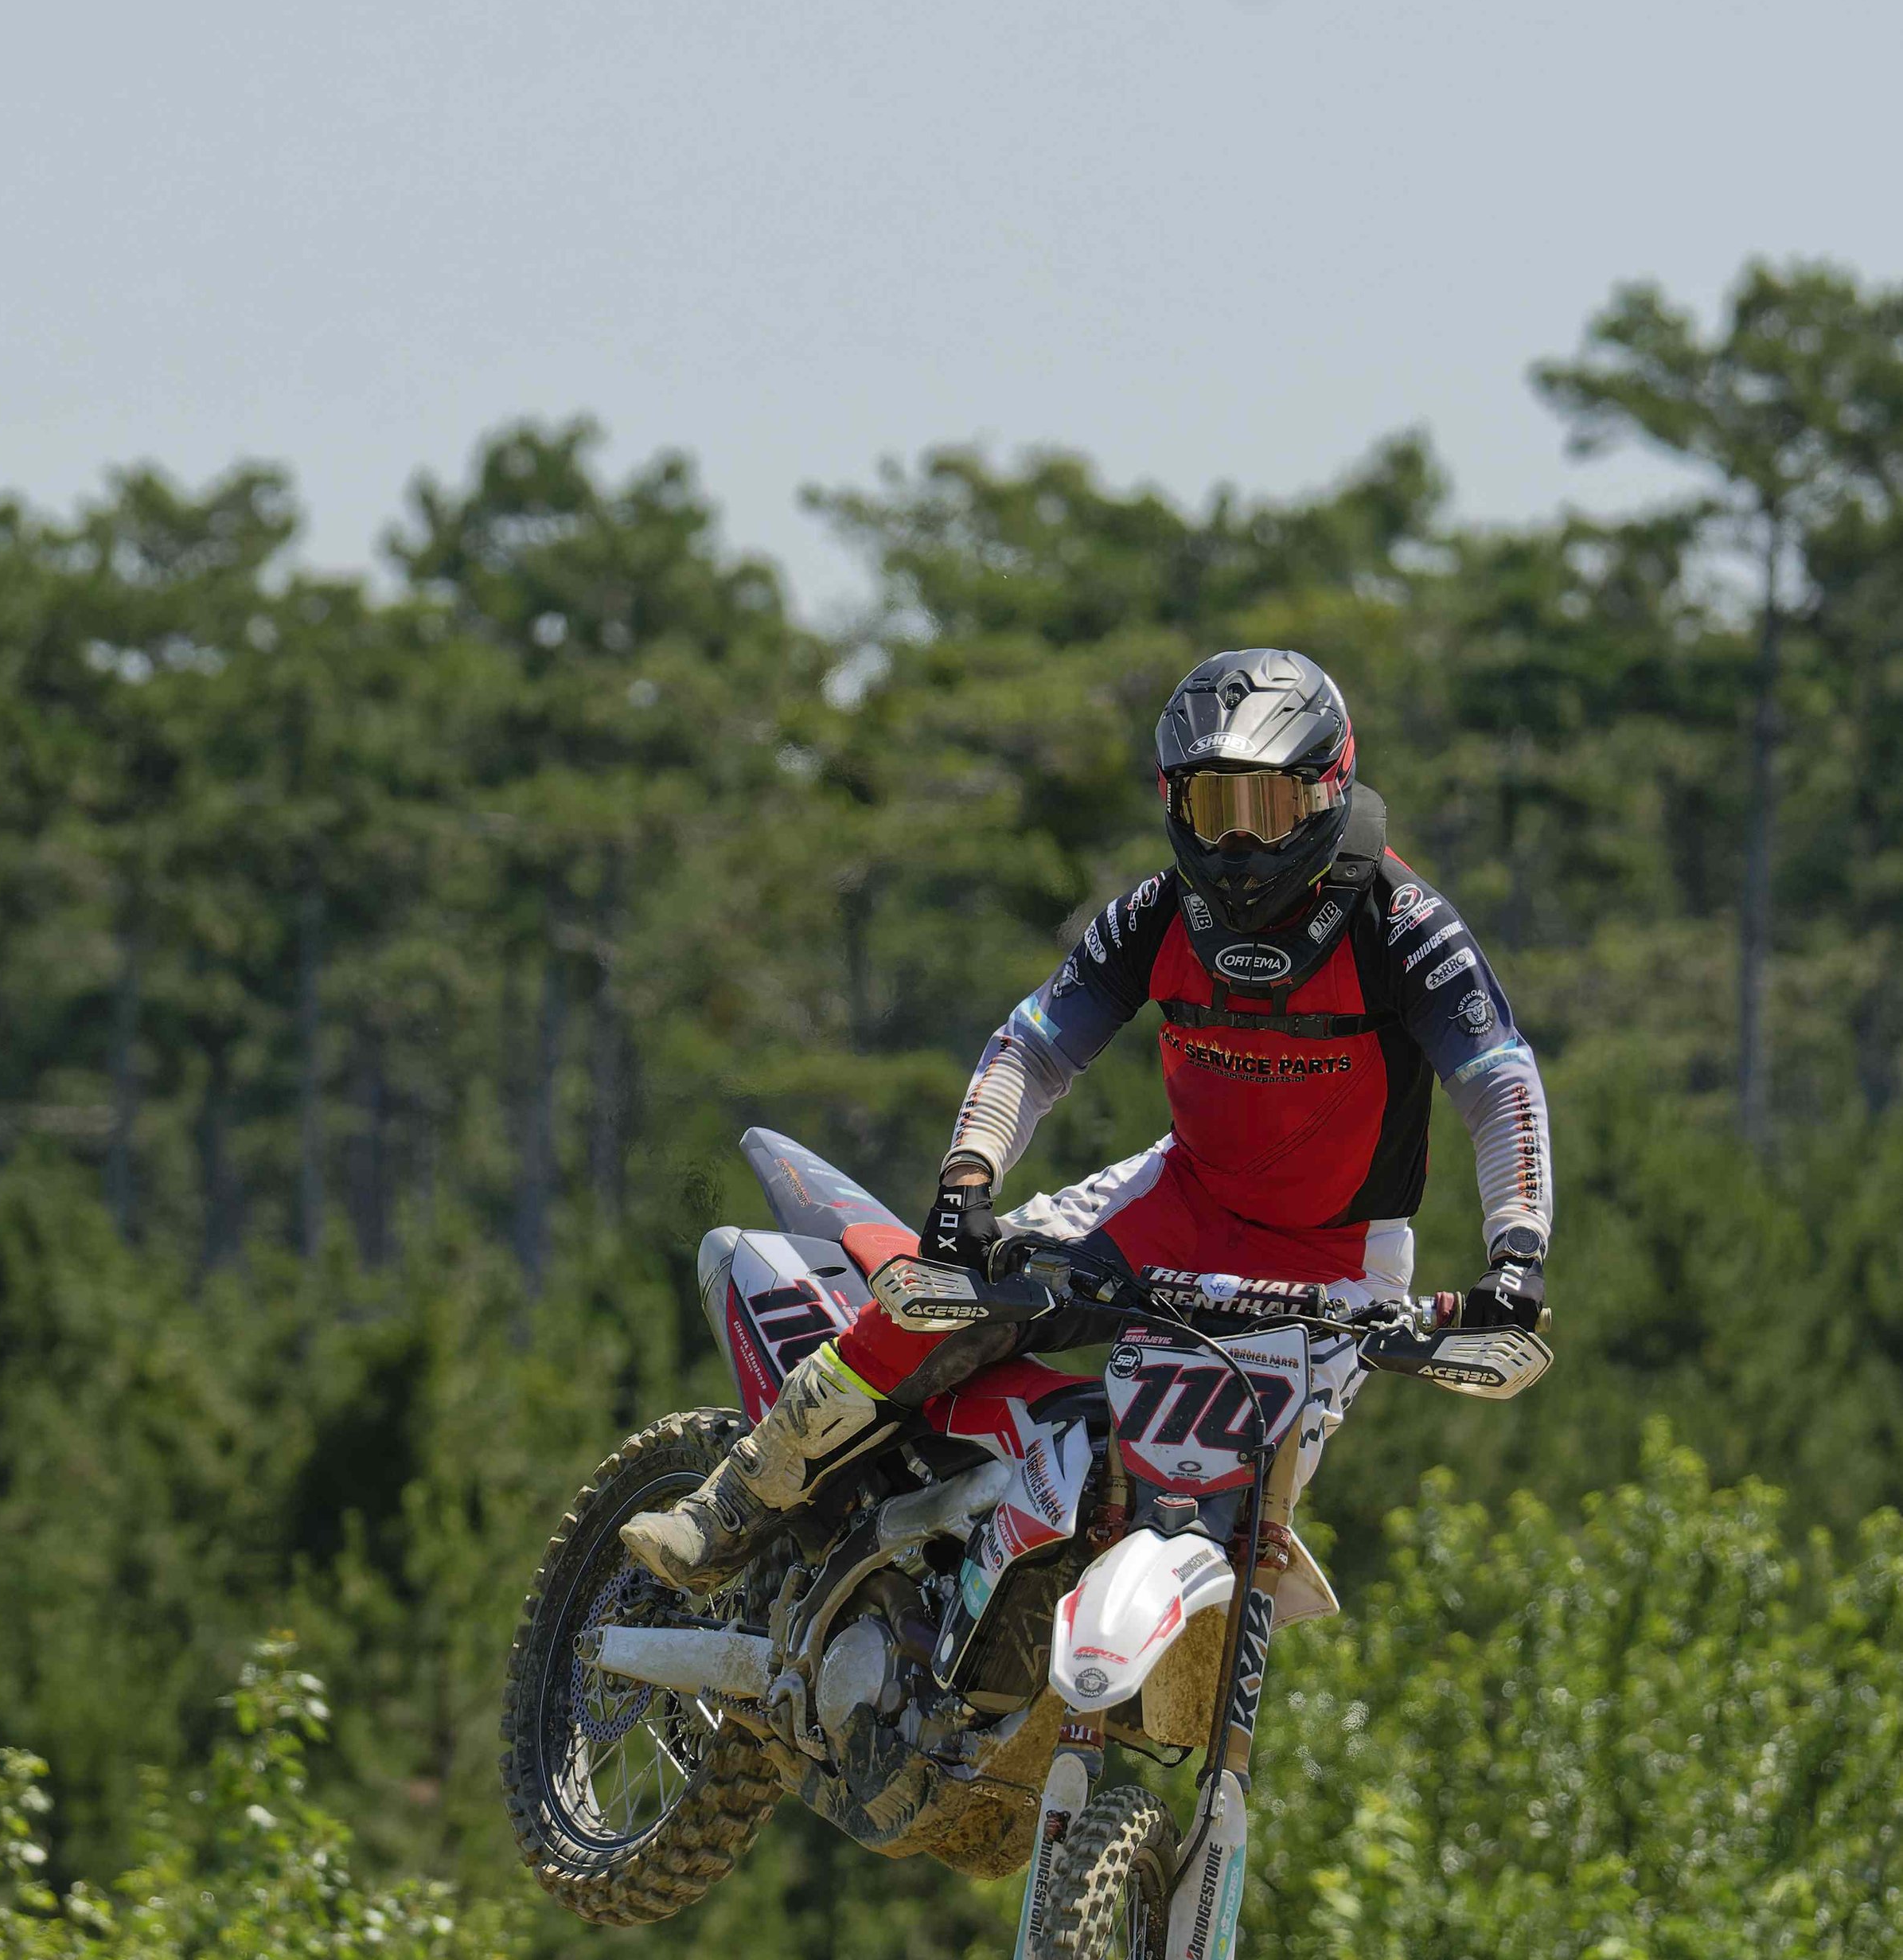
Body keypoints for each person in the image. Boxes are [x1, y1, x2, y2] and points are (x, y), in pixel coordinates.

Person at [623, 647, 1552, 1593]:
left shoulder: (1404, 925)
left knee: (1237, 1519)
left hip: (1335, 1260)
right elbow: (1033, 1047)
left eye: (1262, 811)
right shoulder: (1155, 912)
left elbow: (1497, 1080)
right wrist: (968, 1181)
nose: (1233, 848)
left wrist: (1514, 1254)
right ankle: (737, 1499)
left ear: (1325, 792)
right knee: (941, 1289)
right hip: (1178, 1201)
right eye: (1206, 810)